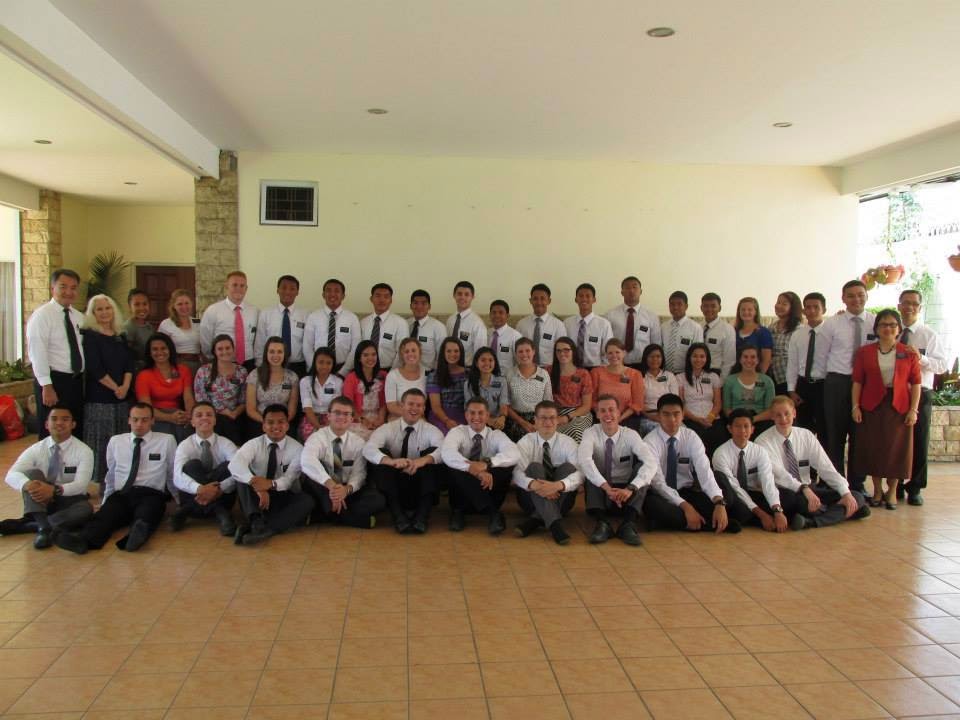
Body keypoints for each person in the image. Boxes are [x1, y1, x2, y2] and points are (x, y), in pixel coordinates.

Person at [53, 403, 176, 554]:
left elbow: (172, 472)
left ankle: (133, 539)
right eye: (135, 419)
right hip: (123, 493)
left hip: (151, 494)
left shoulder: (166, 440)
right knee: (105, 517)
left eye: (144, 420)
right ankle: (83, 541)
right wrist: (105, 500)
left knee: (147, 515)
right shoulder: (116, 441)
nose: (139, 424)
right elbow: (111, 474)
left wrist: (178, 501)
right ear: (129, 420)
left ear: (152, 421)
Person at [756, 396, 869, 529]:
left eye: (787, 413)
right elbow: (780, 475)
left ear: (794, 413)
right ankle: (847, 512)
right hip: (785, 492)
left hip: (810, 489)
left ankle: (811, 521)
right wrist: (804, 489)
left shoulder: (806, 435)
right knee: (803, 503)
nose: (783, 419)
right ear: (772, 417)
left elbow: (825, 467)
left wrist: (846, 493)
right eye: (778, 415)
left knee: (856, 496)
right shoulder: (762, 442)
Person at [851, 309, 921, 510]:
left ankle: (892, 491)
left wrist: (913, 410)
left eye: (892, 325)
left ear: (899, 329)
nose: (888, 328)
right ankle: (877, 490)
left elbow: (916, 383)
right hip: (872, 405)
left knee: (896, 450)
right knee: (874, 448)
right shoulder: (865, 352)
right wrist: (855, 406)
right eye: (883, 324)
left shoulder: (908, 352)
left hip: (898, 406)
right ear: (876, 328)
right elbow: (857, 381)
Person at [642, 394, 739, 534]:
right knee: (652, 506)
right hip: (662, 495)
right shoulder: (649, 442)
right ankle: (707, 524)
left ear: (683, 415)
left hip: (687, 492)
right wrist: (686, 507)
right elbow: (658, 484)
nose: (672, 419)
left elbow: (704, 470)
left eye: (676, 414)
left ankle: (678, 522)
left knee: (723, 489)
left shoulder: (691, 436)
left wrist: (719, 502)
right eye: (666, 414)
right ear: (658, 416)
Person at [812, 279, 876, 491]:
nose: (856, 299)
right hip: (837, 382)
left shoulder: (875, 322)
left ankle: (857, 484)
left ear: (866, 296)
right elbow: (821, 356)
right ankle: (836, 484)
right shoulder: (832, 323)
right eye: (851, 295)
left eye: (860, 295)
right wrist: (827, 385)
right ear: (843, 298)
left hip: (865, 385)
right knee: (834, 436)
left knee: (860, 436)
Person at [2, 405, 94, 549]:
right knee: (31, 475)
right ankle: (45, 527)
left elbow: (81, 485)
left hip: (68, 499)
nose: (59, 423)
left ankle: (35, 526)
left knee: (85, 509)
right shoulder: (37, 449)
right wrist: (28, 484)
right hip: (41, 500)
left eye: (65, 419)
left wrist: (54, 490)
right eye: (54, 419)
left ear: (73, 424)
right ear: (46, 424)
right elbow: (11, 475)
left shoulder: (84, 451)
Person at [578, 395, 659, 546]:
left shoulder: (630, 434)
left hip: (626, 494)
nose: (607, 414)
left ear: (619, 412)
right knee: (590, 469)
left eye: (611, 410)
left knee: (642, 471)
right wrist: (607, 488)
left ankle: (628, 524)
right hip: (602, 493)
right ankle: (602, 524)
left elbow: (651, 462)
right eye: (603, 411)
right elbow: (584, 461)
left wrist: (630, 488)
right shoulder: (590, 433)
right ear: (597, 414)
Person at [229, 404, 314, 545]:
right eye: (270, 422)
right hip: (256, 497)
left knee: (307, 501)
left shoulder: (298, 449)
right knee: (241, 478)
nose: (276, 426)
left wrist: (270, 484)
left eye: (280, 422)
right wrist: (257, 486)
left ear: (287, 425)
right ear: (263, 426)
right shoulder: (253, 444)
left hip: (281, 495)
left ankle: (266, 529)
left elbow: (289, 479)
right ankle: (256, 522)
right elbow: (235, 464)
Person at [363, 389, 444, 533]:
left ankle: (421, 517)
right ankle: (398, 517)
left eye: (419, 405)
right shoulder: (387, 428)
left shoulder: (431, 430)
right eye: (410, 404)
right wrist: (391, 461)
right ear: (402, 406)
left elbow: (445, 451)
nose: (414, 408)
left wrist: (423, 460)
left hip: (421, 487)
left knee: (432, 456)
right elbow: (368, 449)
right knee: (381, 456)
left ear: (424, 408)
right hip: (393, 487)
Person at [302, 396, 386, 529]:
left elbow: (359, 474)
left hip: (346, 490)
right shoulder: (317, 437)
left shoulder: (358, 442)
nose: (341, 417)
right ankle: (350, 518)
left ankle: (325, 515)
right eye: (337, 413)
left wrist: (345, 490)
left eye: (346, 414)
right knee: (313, 478)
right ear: (328, 416)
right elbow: (307, 461)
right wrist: (332, 487)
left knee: (378, 500)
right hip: (324, 488)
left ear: (352, 419)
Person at [897, 289, 948, 506]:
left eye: (914, 304)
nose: (909, 307)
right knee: (896, 440)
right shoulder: (892, 330)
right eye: (905, 303)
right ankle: (896, 483)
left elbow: (942, 365)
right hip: (896, 393)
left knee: (920, 440)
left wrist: (922, 358)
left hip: (921, 394)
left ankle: (915, 487)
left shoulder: (929, 335)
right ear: (899, 306)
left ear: (920, 308)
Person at [441, 397, 521, 534]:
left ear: (488, 415)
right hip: (462, 497)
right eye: (472, 413)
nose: (476, 417)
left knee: (507, 465)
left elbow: (514, 453)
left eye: (481, 413)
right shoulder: (457, 432)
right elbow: (447, 453)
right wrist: (475, 471)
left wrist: (486, 464)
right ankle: (492, 512)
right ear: (466, 415)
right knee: (454, 465)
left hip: (488, 489)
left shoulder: (496, 434)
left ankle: (466, 512)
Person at [712, 409, 800, 532]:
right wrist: (762, 514)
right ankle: (762, 519)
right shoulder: (720, 454)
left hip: (754, 492)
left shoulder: (759, 451)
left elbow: (767, 481)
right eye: (737, 426)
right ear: (729, 429)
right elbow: (735, 488)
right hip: (734, 495)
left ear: (752, 429)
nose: (742, 431)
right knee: (742, 511)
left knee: (789, 497)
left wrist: (777, 510)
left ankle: (767, 518)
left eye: (746, 426)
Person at [512, 401, 583, 545]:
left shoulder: (568, 443)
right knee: (534, 467)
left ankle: (535, 520)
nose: (548, 422)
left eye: (552, 418)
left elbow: (581, 473)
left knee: (568, 468)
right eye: (543, 418)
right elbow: (516, 473)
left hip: (562, 500)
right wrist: (534, 484)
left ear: (557, 420)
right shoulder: (525, 442)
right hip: (530, 501)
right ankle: (555, 526)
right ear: (535, 420)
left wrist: (558, 485)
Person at [26, 269, 85, 438]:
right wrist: (47, 385)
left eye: (73, 288)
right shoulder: (42, 316)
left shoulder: (78, 317)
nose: (69, 292)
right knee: (51, 431)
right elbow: (37, 353)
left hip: (75, 381)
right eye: (63, 287)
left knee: (74, 429)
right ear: (52, 288)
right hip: (53, 380)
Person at [81, 294, 133, 483]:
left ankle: (121, 481)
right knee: (102, 443)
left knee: (121, 441)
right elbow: (95, 368)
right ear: (93, 313)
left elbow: (129, 364)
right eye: (100, 309)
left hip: (121, 399)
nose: (105, 312)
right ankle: (102, 483)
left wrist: (125, 386)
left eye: (108, 308)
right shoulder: (90, 336)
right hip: (100, 399)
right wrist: (115, 388)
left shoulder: (121, 335)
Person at [169, 402, 238, 536]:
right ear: (192, 422)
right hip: (193, 496)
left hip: (221, 496)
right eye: (199, 415)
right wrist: (200, 489)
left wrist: (218, 489)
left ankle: (186, 511)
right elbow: (177, 476)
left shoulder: (226, 443)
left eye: (209, 415)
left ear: (215, 420)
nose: (204, 418)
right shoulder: (185, 445)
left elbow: (240, 472)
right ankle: (219, 512)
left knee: (228, 466)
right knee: (192, 465)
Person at [135, 333, 194, 441]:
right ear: (149, 352)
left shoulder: (183, 370)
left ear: (170, 349)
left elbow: (188, 398)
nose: (160, 352)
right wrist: (169, 418)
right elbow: (146, 408)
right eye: (155, 349)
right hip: (155, 416)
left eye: (163, 348)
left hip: (179, 414)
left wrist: (189, 415)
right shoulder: (143, 375)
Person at [192, 334, 248, 444]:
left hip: (236, 415)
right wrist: (224, 411)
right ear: (214, 352)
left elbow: (245, 399)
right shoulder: (204, 371)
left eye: (228, 348)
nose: (224, 351)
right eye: (220, 349)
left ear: (233, 349)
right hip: (211, 415)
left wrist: (234, 413)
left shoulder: (241, 371)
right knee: (223, 422)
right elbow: (201, 398)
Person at [786, 292, 827, 441]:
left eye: (816, 307)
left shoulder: (831, 332)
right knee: (803, 430)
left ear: (824, 310)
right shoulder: (798, 334)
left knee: (824, 429)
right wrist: (791, 390)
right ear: (803, 310)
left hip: (824, 385)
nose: (812, 311)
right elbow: (792, 363)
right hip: (803, 385)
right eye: (808, 307)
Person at [199, 271, 259, 370]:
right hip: (223, 361)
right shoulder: (213, 310)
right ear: (226, 286)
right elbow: (205, 338)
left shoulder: (254, 311)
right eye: (234, 285)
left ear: (246, 288)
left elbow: (257, 339)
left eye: (242, 286)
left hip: (249, 362)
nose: (238, 288)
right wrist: (212, 357)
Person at [303, 278, 361, 374]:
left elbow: (356, 348)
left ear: (343, 296)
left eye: (337, 291)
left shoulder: (352, 318)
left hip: (343, 367)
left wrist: (344, 371)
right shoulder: (313, 317)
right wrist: (315, 368)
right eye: (328, 290)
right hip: (318, 367)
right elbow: (307, 346)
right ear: (323, 295)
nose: (332, 294)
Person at [255, 275, 308, 377]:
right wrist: (260, 366)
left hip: (298, 366)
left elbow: (308, 344)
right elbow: (259, 343)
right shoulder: (266, 314)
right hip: (272, 365)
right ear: (277, 290)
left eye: (292, 289)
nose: (287, 292)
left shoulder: (306, 315)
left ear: (297, 292)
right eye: (284, 288)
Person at [245, 336, 299, 436]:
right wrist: (268, 423)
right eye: (272, 352)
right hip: (260, 423)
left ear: (285, 354)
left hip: (283, 424)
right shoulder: (255, 375)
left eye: (279, 352)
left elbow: (292, 411)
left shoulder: (292, 377)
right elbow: (250, 409)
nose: (275, 355)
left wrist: (279, 424)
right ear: (266, 353)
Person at [590, 339, 646, 432]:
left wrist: (619, 418)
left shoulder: (635, 374)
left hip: (626, 418)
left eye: (617, 352)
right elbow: (592, 399)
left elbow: (637, 403)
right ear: (606, 355)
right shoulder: (596, 372)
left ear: (624, 353)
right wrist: (603, 415)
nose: (614, 356)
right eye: (610, 353)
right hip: (601, 417)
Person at [677, 343, 725, 454]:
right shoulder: (680, 378)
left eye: (702, 356)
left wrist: (709, 418)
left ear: (707, 359)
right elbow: (680, 404)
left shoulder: (713, 376)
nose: (698, 359)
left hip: (712, 419)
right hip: (690, 419)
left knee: (720, 437)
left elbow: (718, 403)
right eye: (695, 356)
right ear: (689, 358)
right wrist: (697, 419)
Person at [605, 275, 661, 370]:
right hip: (617, 364)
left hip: (643, 365)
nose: (631, 291)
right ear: (622, 292)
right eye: (627, 288)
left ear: (641, 291)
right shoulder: (610, 315)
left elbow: (656, 344)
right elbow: (607, 343)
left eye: (635, 287)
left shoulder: (651, 316)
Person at [504, 338, 554, 441]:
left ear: (533, 351)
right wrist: (522, 422)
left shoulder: (543, 374)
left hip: (539, 418)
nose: (524, 354)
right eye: (520, 351)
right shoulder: (509, 374)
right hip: (516, 419)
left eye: (527, 350)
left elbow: (548, 402)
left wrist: (540, 422)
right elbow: (505, 404)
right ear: (516, 354)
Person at [722, 344, 776, 433]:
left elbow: (770, 410)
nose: (749, 360)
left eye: (753, 357)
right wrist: (740, 421)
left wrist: (752, 419)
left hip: (760, 420)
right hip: (736, 419)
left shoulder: (767, 381)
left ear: (758, 360)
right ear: (740, 359)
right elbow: (727, 409)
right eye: (745, 357)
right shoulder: (730, 381)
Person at [549, 337, 594, 442]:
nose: (562, 353)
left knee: (575, 431)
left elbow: (587, 406)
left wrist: (567, 417)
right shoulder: (547, 371)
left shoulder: (583, 374)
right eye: (558, 350)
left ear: (573, 351)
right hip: (555, 413)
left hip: (579, 413)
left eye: (566, 350)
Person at [342, 340, 387, 439]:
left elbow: (384, 402)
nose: (370, 358)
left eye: (373, 354)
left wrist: (381, 419)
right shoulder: (351, 378)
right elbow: (348, 404)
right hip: (357, 419)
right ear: (359, 358)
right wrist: (363, 420)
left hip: (378, 419)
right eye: (366, 355)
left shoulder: (383, 376)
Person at [564, 283, 613, 369]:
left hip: (595, 369)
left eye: (588, 296)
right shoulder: (567, 323)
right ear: (576, 299)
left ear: (594, 299)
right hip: (571, 368)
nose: (584, 299)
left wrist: (601, 371)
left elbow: (608, 352)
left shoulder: (604, 324)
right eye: (581, 296)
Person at [298, 347, 343, 440]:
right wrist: (318, 426)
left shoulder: (338, 382)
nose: (324, 366)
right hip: (311, 417)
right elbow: (307, 408)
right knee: (313, 438)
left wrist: (328, 425)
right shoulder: (305, 381)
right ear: (315, 362)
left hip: (331, 417)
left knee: (333, 438)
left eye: (328, 363)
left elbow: (336, 407)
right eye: (321, 362)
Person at [516, 283, 566, 367]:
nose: (539, 302)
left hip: (550, 368)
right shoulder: (521, 324)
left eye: (542, 298)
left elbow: (562, 351)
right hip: (526, 367)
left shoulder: (558, 325)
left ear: (549, 301)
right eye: (535, 299)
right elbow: (517, 349)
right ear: (530, 301)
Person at [360, 282, 409, 369]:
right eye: (378, 296)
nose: (382, 300)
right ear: (371, 299)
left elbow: (402, 352)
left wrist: (392, 374)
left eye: (386, 296)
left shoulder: (401, 323)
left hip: (388, 370)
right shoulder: (363, 323)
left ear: (391, 300)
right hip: (365, 370)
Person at [427, 337, 468, 434]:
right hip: (441, 416)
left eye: (456, 351)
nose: (452, 354)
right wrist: (447, 421)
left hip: (465, 415)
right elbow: (436, 406)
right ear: (443, 353)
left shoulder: (469, 374)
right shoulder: (434, 376)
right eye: (449, 351)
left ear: (461, 353)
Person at [158, 289, 202, 374]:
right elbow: (160, 348)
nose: (184, 307)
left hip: (196, 365)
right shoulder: (166, 324)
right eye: (180, 304)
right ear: (173, 306)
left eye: (187, 303)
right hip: (175, 365)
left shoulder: (198, 322)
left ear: (191, 304)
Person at [465, 347, 510, 430]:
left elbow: (503, 404)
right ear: (476, 363)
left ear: (495, 362)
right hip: (476, 422)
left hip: (497, 423)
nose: (487, 363)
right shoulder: (469, 384)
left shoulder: (502, 381)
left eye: (490, 360)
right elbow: (469, 409)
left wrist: (502, 418)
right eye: (483, 360)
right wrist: (488, 421)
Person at [661, 290, 703, 374]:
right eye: (672, 304)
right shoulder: (663, 326)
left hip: (685, 373)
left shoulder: (696, 328)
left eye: (679, 304)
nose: (675, 307)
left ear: (686, 306)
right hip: (666, 372)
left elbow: (698, 353)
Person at [768, 291, 803, 395]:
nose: (779, 306)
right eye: (778, 302)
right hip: (771, 377)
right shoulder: (771, 327)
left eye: (784, 304)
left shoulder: (799, 329)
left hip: (789, 379)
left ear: (793, 308)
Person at [446, 281, 487, 365]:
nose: (462, 297)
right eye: (459, 294)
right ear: (454, 295)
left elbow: (480, 354)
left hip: (467, 369)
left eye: (466, 294)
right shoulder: (450, 320)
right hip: (449, 367)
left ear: (472, 297)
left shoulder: (477, 324)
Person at [639, 343, 679, 429]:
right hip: (649, 417)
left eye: (658, 356)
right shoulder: (640, 377)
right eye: (651, 356)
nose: (655, 359)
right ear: (645, 358)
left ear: (662, 358)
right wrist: (656, 417)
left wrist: (667, 416)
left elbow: (675, 400)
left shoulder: (670, 376)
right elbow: (640, 404)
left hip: (670, 415)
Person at [385, 338, 427, 417]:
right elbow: (391, 406)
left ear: (420, 353)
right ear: (402, 355)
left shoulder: (426, 374)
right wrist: (412, 415)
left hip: (420, 418)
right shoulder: (392, 376)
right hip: (397, 418)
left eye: (413, 350)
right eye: (406, 351)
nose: (410, 354)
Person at [407, 289, 447, 371]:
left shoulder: (439, 327)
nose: (419, 307)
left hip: (427, 374)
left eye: (423, 303)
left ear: (429, 306)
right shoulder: (405, 324)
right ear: (411, 306)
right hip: (405, 372)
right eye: (415, 303)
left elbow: (442, 356)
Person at [700, 292, 737, 380]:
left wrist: (722, 381)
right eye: (706, 306)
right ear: (701, 308)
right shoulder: (697, 327)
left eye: (713, 306)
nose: (709, 309)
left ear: (719, 308)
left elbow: (729, 360)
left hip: (716, 374)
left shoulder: (727, 329)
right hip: (697, 373)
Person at [734, 296, 773, 373]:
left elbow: (766, 360)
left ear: (755, 312)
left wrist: (757, 377)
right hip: (736, 374)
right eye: (743, 309)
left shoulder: (763, 332)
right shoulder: (733, 331)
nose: (746, 312)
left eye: (750, 310)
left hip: (757, 375)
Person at [123, 287, 155, 374]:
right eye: (137, 304)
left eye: (145, 304)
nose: (142, 308)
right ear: (130, 307)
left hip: (150, 372)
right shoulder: (127, 329)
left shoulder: (150, 327)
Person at [487, 299, 522, 373]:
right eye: (494, 312)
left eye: (501, 312)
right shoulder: (486, 333)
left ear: (507, 316)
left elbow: (520, 362)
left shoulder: (515, 336)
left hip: (507, 377)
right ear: (490, 315)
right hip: (487, 375)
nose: (497, 315)